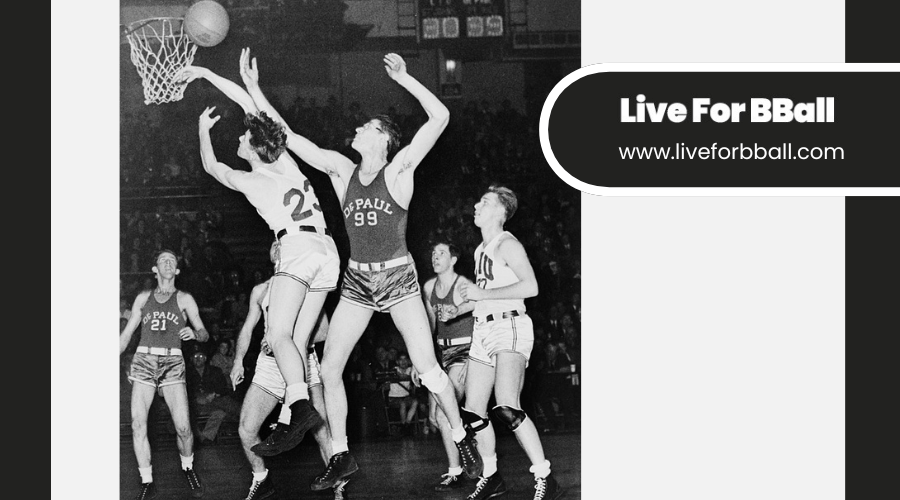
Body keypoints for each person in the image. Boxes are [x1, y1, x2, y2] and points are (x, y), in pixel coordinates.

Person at [236, 48, 483, 489]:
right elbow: (288, 136)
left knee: (429, 370)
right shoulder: (340, 169)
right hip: (357, 280)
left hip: (398, 278)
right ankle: (341, 455)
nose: (356, 129)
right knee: (329, 369)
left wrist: (404, 79)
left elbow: (441, 116)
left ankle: (462, 437)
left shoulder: (399, 170)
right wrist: (255, 90)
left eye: (365, 127)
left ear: (383, 139)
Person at [178, 58, 342, 456]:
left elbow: (211, 166)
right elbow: (251, 107)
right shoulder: (284, 161)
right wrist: (208, 74)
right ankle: (295, 419)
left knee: (277, 334)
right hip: (328, 252)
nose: (239, 136)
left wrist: (202, 130)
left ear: (253, 146)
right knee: (298, 341)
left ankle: (299, 408)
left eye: (243, 136)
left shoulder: (248, 179)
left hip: (297, 250)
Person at [458, 185, 564, 500]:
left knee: (506, 407)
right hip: (483, 329)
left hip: (509, 326)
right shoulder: (480, 250)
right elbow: (484, 296)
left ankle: (545, 477)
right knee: (473, 412)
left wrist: (481, 294)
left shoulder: (508, 244)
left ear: (501, 211)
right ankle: (491, 477)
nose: (476, 205)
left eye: (485, 201)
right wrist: (460, 308)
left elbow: (531, 287)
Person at [230, 240, 348, 500]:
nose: (278, 247)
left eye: (283, 243)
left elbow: (324, 332)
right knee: (246, 428)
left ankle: (339, 488)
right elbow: (247, 329)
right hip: (270, 365)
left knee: (320, 428)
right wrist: (238, 360)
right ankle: (261, 480)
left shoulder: (308, 288)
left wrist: (284, 338)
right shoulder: (261, 290)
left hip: (301, 362)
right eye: (274, 243)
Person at [118, 249, 209, 499]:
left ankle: (187, 466)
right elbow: (126, 336)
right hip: (144, 359)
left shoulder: (185, 298)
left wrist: (195, 333)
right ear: (155, 269)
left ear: (177, 270)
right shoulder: (143, 298)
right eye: (162, 260)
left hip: (172, 361)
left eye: (172, 260)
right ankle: (147, 481)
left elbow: (204, 333)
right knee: (138, 424)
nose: (168, 263)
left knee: (183, 427)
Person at [422, 241, 476, 491]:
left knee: (445, 415)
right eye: (434, 253)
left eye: (441, 253)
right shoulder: (429, 287)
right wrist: (422, 360)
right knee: (435, 418)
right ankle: (468, 442)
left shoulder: (463, 285)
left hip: (463, 351)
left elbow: (481, 311)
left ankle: (456, 472)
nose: (435, 257)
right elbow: (429, 326)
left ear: (453, 260)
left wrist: (473, 357)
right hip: (440, 353)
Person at [187, 350, 242, 444]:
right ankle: (203, 438)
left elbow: (223, 388)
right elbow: (186, 390)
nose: (198, 359)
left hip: (216, 399)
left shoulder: (215, 371)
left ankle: (243, 415)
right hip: (197, 404)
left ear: (205, 358)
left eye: (201, 356)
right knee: (220, 412)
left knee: (225, 404)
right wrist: (197, 398)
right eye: (195, 357)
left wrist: (214, 394)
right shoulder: (187, 373)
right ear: (191, 359)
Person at [386, 352, 418, 435]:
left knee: (415, 402)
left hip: (406, 396)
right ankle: (404, 425)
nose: (403, 362)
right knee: (402, 404)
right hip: (394, 397)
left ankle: (406, 424)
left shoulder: (411, 370)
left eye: (405, 359)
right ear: (397, 361)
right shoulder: (394, 370)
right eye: (401, 359)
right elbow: (393, 375)